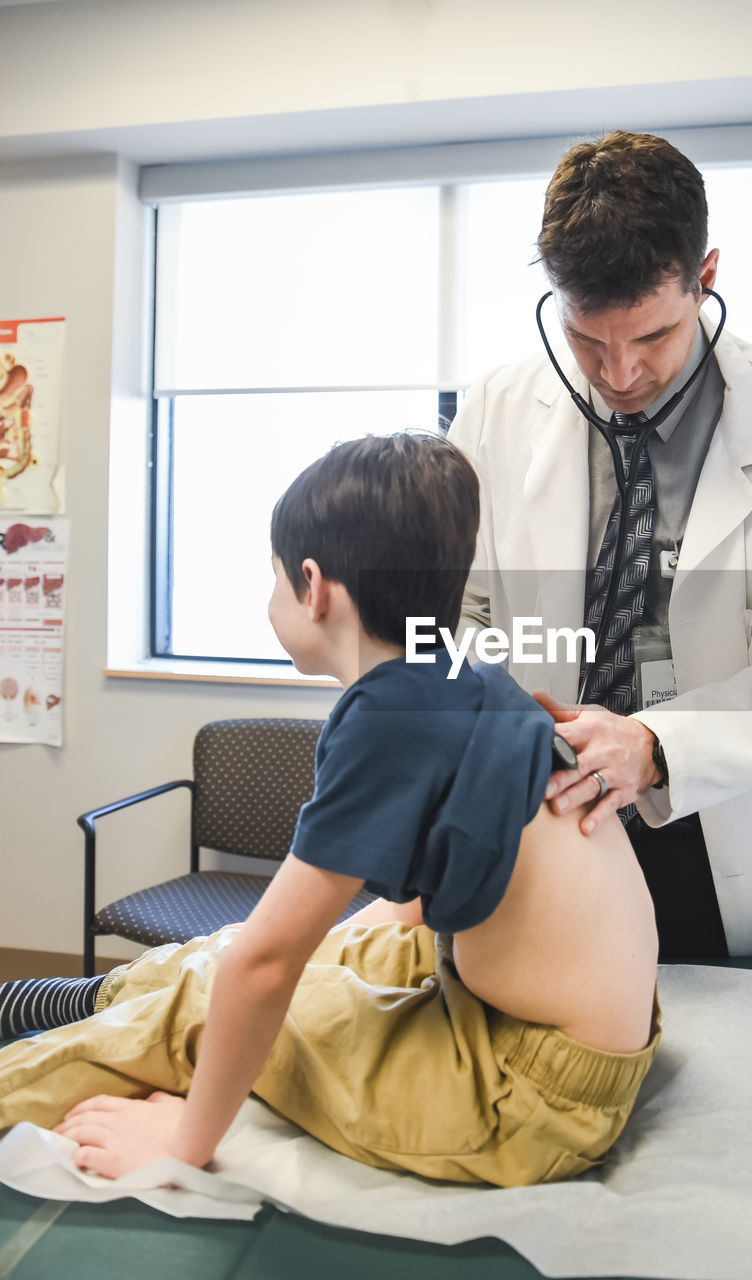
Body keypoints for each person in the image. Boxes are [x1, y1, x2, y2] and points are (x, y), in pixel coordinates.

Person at [0, 432, 659, 1186]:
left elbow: (268, 967)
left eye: (274, 580)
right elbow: (427, 894)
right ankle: (68, 1000)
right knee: (230, 950)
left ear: (314, 587)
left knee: (219, 997)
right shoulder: (463, 680)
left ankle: (46, 1051)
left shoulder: (390, 717)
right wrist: (256, 957)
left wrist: (182, 1142)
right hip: (560, 1032)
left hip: (527, 1096)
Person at [447, 131, 752, 960]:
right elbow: (461, 612)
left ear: (707, 278)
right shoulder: (497, 412)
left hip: (718, 835)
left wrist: (656, 747)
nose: (618, 375)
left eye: (651, 337)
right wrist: (512, 722)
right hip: (543, 823)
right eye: (588, 340)